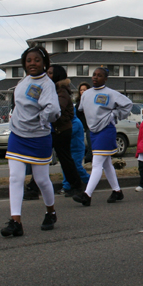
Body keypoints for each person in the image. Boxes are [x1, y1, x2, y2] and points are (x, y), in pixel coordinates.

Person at [0, 46, 61, 237]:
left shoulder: (47, 84)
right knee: (15, 178)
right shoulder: (23, 81)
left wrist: (41, 119)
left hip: (38, 137)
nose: (32, 63)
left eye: (36, 60)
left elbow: (53, 110)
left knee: (41, 180)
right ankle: (16, 222)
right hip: (17, 136)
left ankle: (51, 212)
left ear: (44, 63)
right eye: (28, 60)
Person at [72, 67, 132, 206]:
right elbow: (81, 108)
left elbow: (128, 104)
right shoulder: (86, 94)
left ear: (105, 79)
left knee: (97, 163)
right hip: (93, 131)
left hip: (106, 130)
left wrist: (115, 114)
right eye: (94, 74)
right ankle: (117, 191)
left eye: (99, 75)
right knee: (106, 164)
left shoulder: (111, 93)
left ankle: (87, 195)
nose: (95, 77)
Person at [47, 65, 84, 196]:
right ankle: (33, 187)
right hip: (55, 129)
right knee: (44, 158)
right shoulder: (53, 89)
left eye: (50, 73)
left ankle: (76, 186)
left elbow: (57, 109)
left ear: (57, 75)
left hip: (61, 130)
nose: (48, 75)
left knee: (65, 160)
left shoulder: (61, 91)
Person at [59, 113, 91, 197]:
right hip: (69, 148)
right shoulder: (68, 122)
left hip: (77, 149)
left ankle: (89, 181)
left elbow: (69, 133)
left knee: (77, 167)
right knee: (67, 167)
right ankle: (66, 186)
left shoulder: (76, 122)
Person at [75, 82, 92, 164]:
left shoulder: (91, 102)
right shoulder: (78, 103)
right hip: (81, 128)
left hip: (90, 127)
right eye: (81, 90)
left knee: (91, 146)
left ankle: (88, 161)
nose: (82, 91)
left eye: (84, 90)